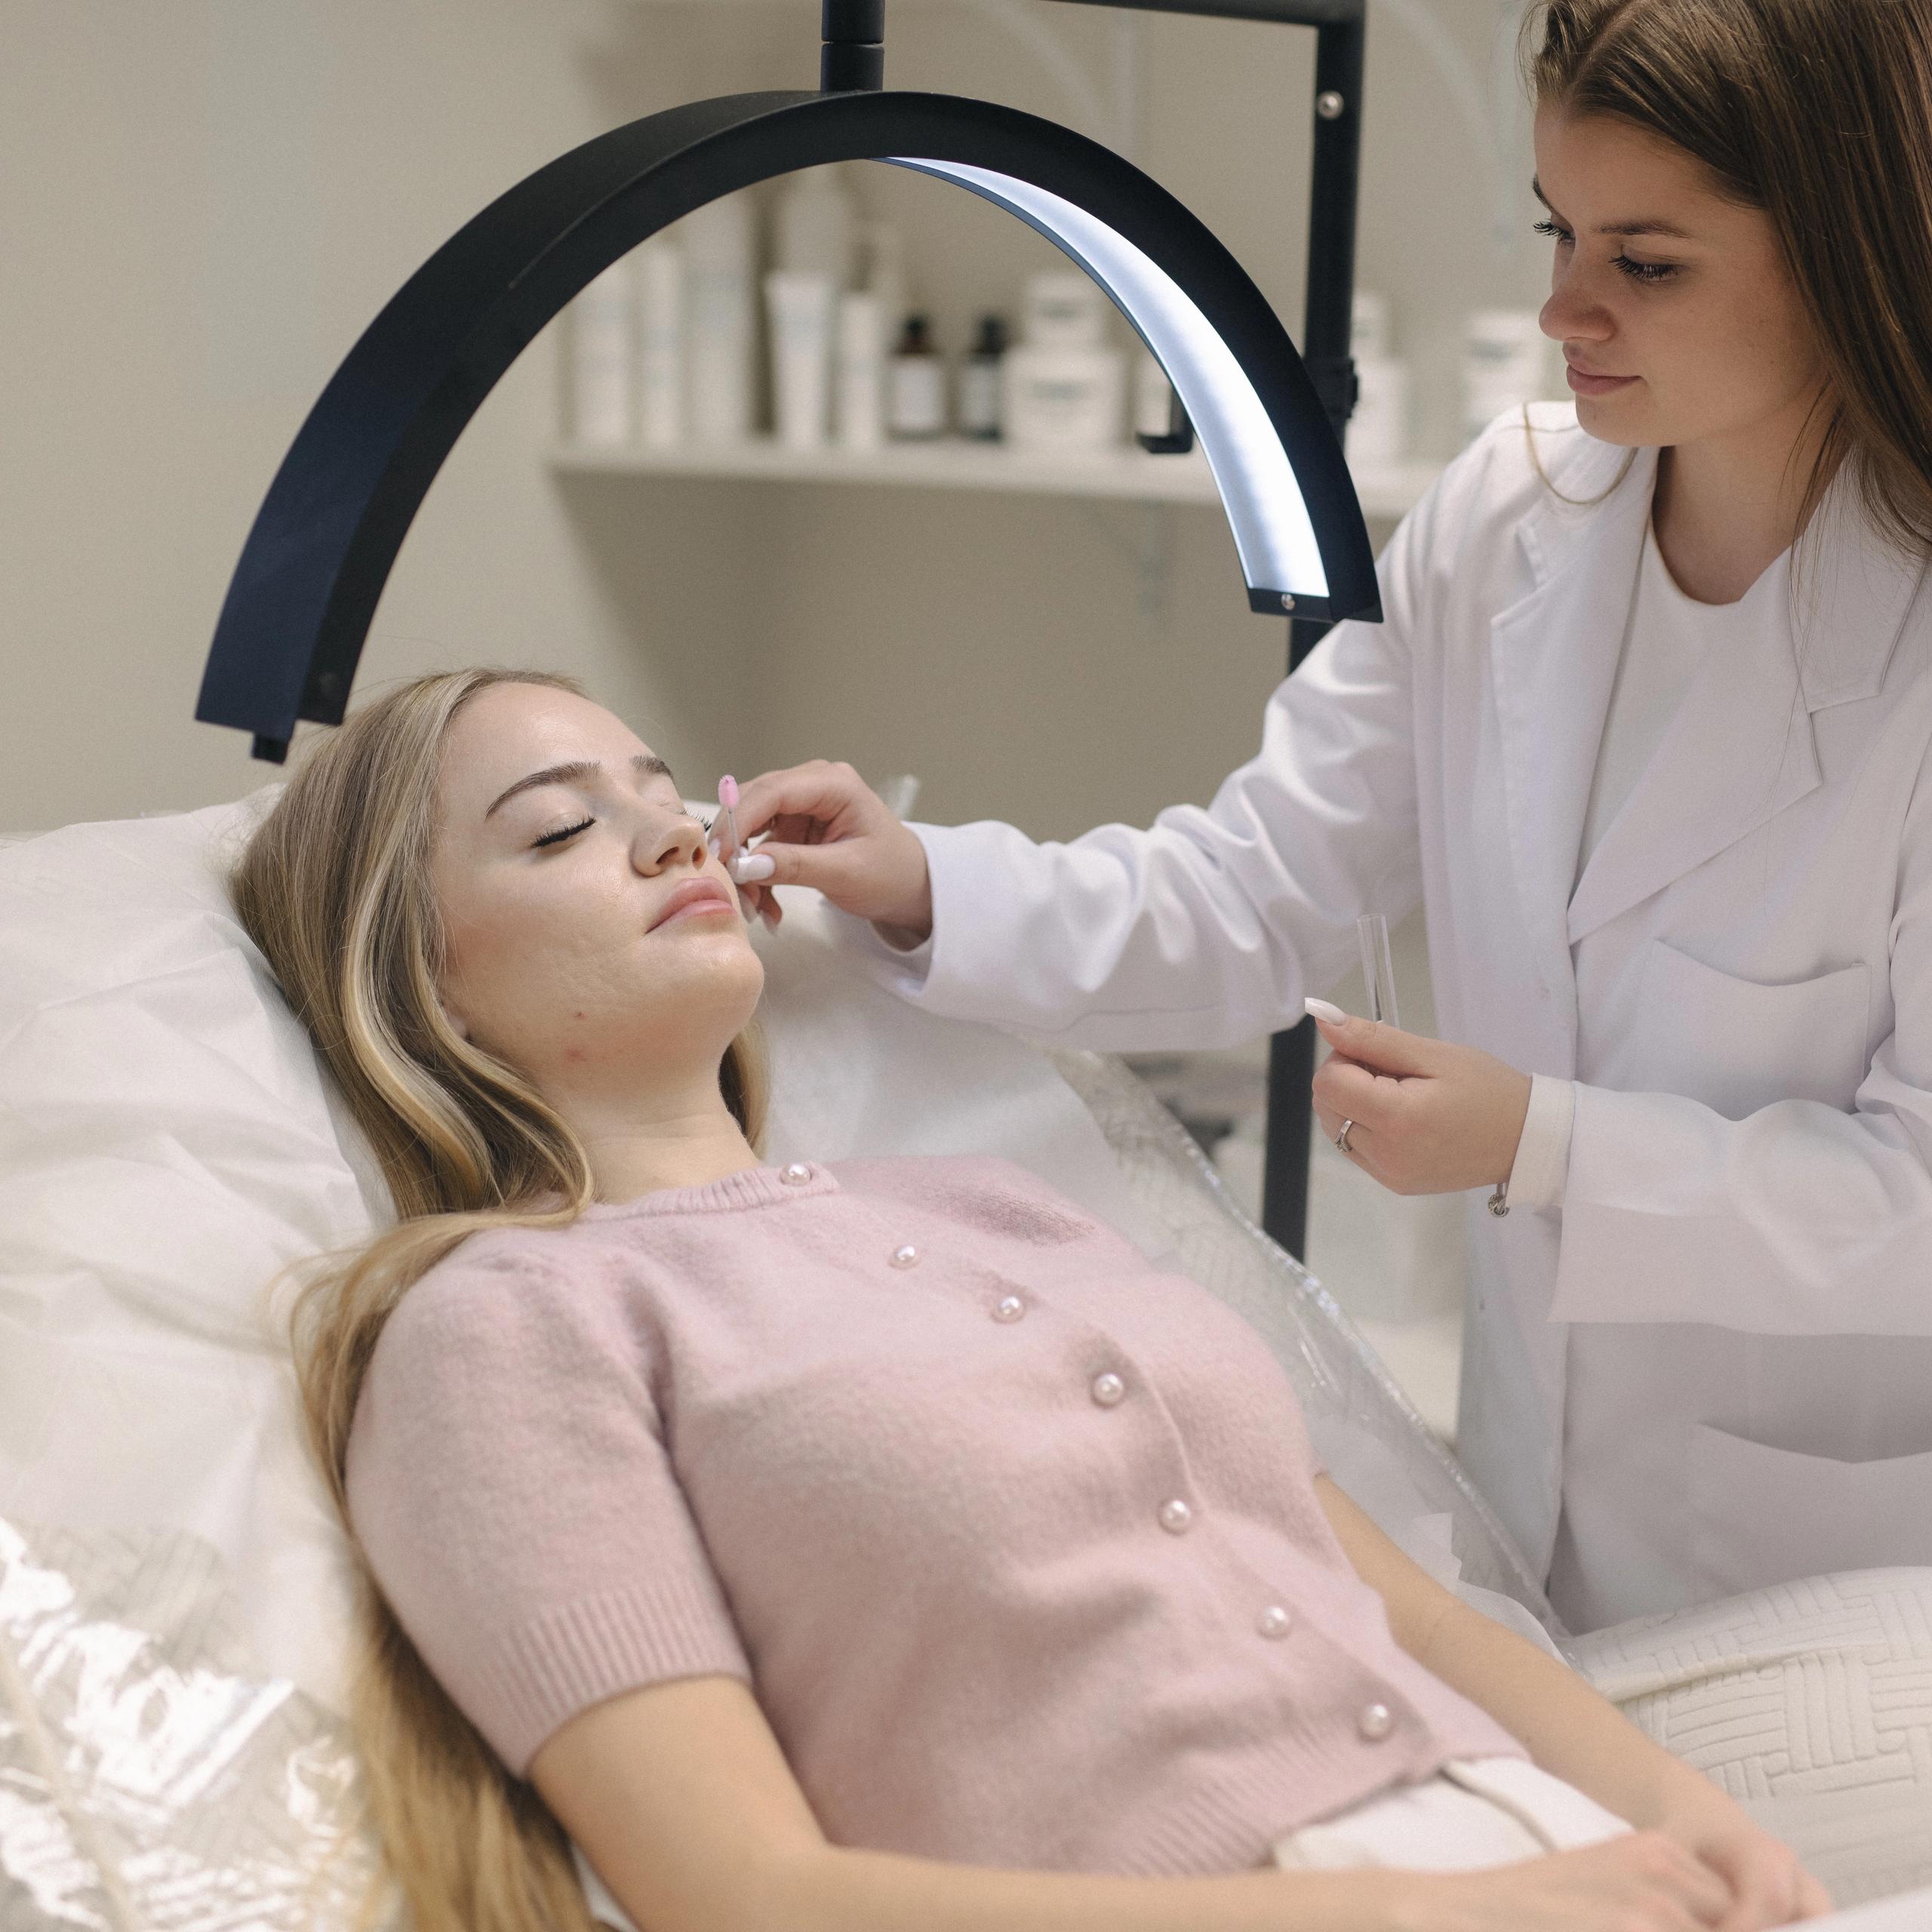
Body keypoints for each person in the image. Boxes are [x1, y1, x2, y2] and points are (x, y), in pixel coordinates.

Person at [231, 668, 1826, 1932]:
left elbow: (1398, 1605)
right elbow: (739, 1897)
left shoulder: (989, 1206)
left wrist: (1690, 1819)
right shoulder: (498, 1329)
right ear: (414, 973)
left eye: (665, 792)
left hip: (1562, 1865)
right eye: (557, 829)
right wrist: (1406, 1907)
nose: (667, 837)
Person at [727, 0, 1932, 1635]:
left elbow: (1910, 1203)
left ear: (1854, 251)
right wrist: (927, 882)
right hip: (1525, 1517)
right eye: (1553, 229)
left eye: (1643, 262)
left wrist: (1538, 1141)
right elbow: (1258, 888)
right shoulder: (1505, 513)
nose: (1560, 306)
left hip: (1830, 1572)